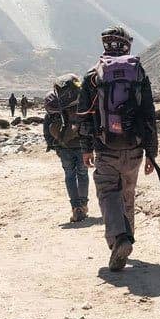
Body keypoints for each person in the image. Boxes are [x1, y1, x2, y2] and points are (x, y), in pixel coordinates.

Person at [78, 25, 158, 272]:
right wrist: (151, 153)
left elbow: (84, 115)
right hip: (134, 147)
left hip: (106, 147)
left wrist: (86, 147)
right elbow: (148, 114)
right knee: (127, 194)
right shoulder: (138, 72)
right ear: (127, 45)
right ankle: (128, 238)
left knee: (107, 193)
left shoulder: (94, 75)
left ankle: (119, 240)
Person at [44, 74, 89, 223]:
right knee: (82, 174)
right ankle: (83, 205)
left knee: (69, 176)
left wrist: (52, 144)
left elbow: (47, 127)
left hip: (64, 147)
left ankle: (75, 208)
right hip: (82, 145)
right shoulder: (81, 101)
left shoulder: (55, 103)